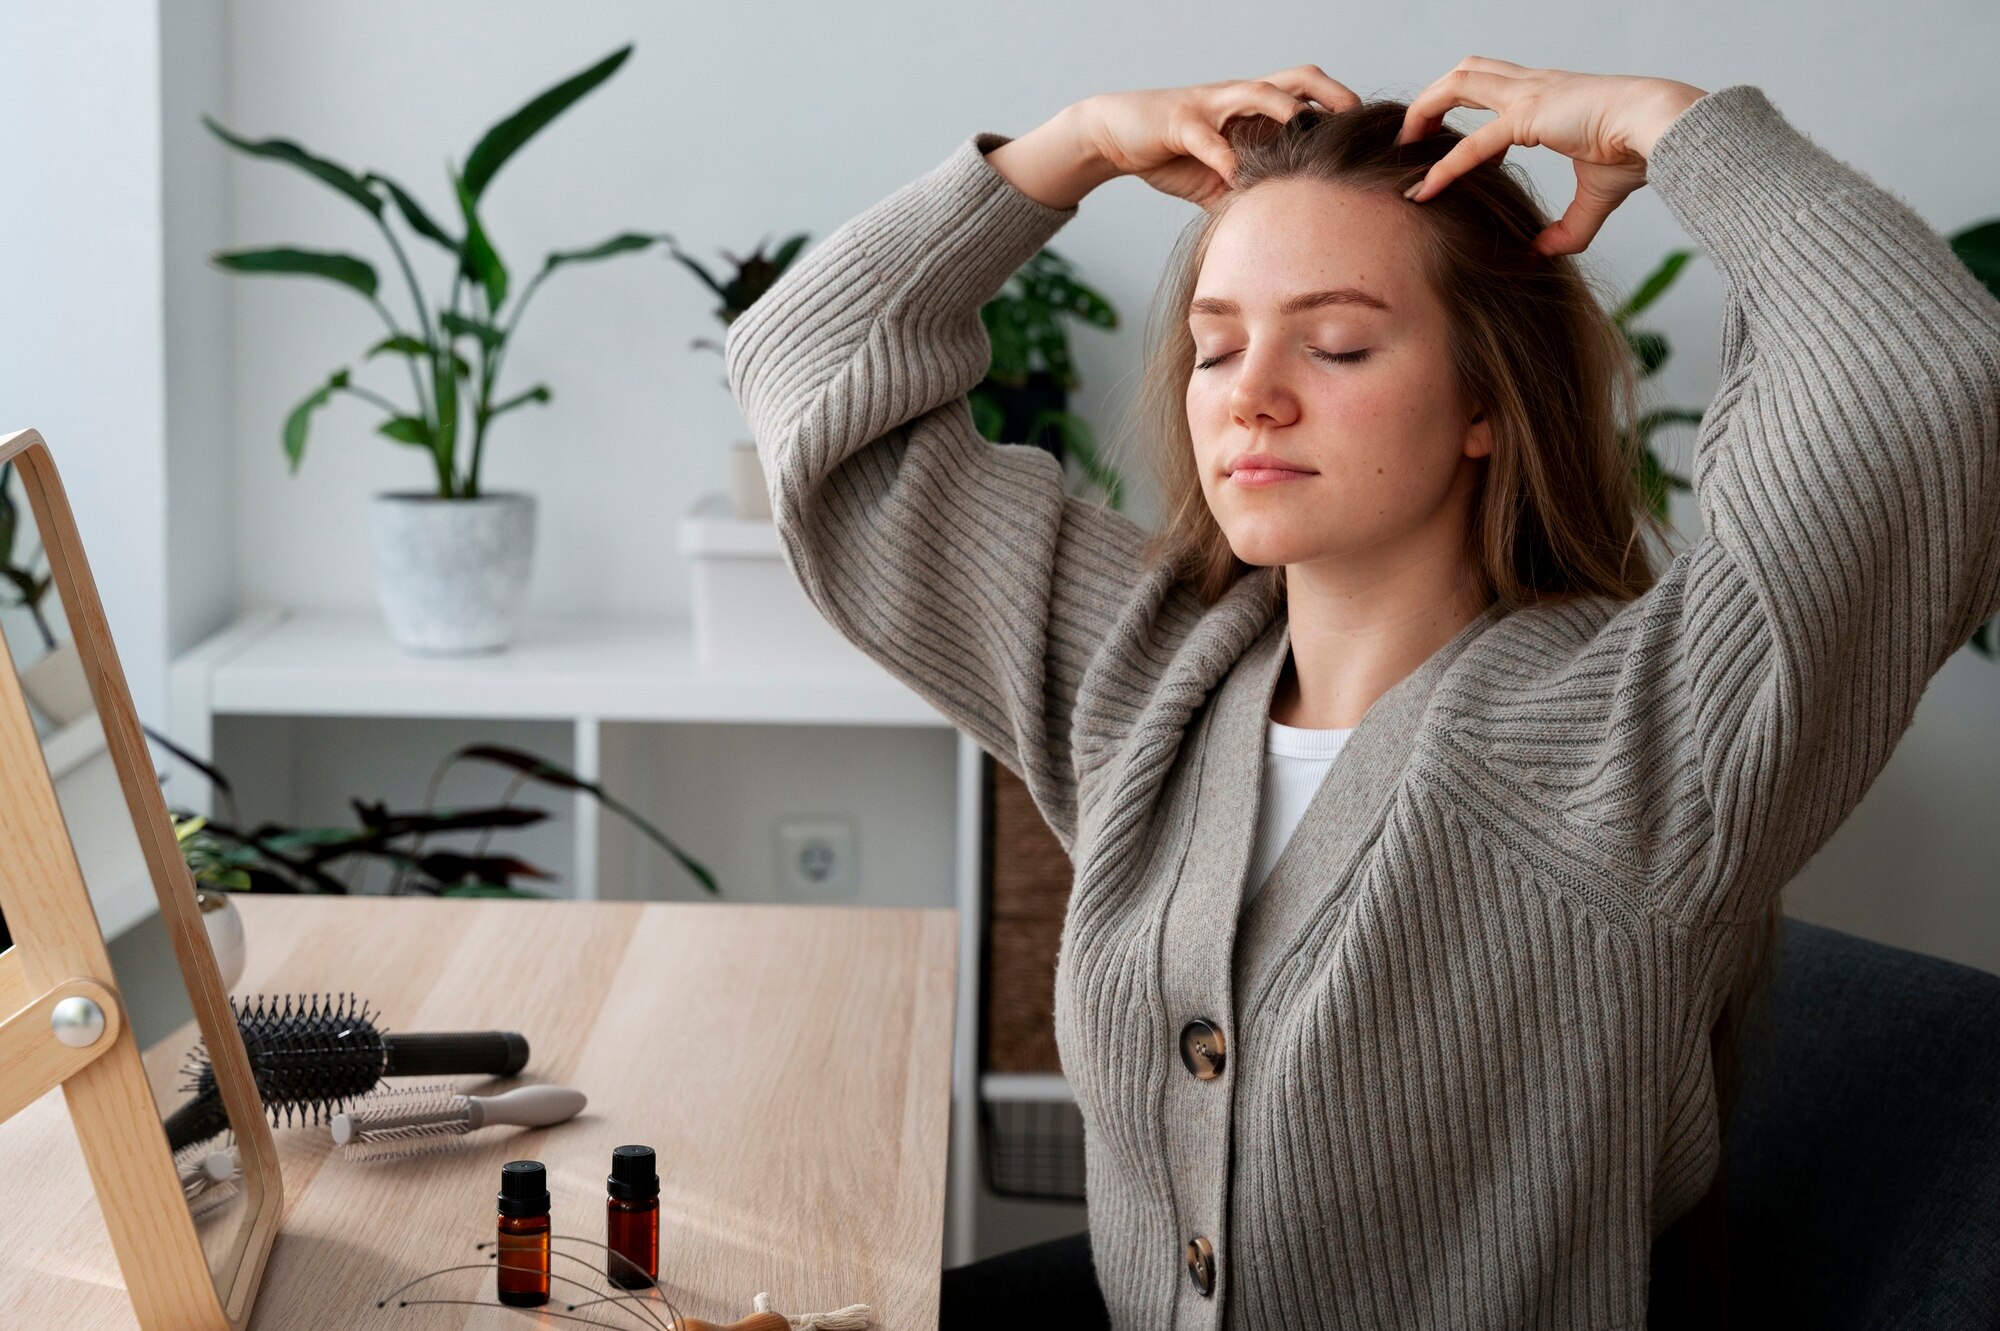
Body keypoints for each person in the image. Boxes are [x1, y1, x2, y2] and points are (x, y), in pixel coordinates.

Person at [724, 59, 2000, 1330]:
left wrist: (1676, 133)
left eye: (1335, 343)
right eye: (1215, 346)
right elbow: (809, 381)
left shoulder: (1637, 741)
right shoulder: (1146, 671)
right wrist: (1072, 146)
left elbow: (1925, 392)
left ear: (1484, 403)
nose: (1251, 397)